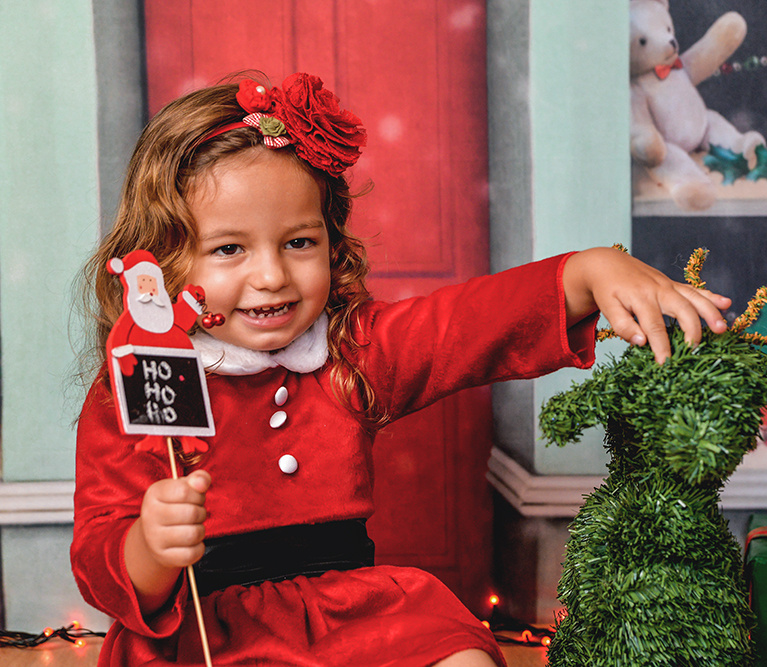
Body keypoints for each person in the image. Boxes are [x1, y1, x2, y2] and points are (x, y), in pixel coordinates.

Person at [71, 72, 731, 667]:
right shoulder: (136, 387)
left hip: (352, 616)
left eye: (298, 242)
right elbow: (100, 560)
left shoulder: (350, 350)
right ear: (164, 258)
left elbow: (465, 324)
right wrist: (150, 548)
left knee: (460, 656)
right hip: (204, 633)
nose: (271, 275)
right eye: (228, 249)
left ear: (331, 241)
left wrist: (585, 273)